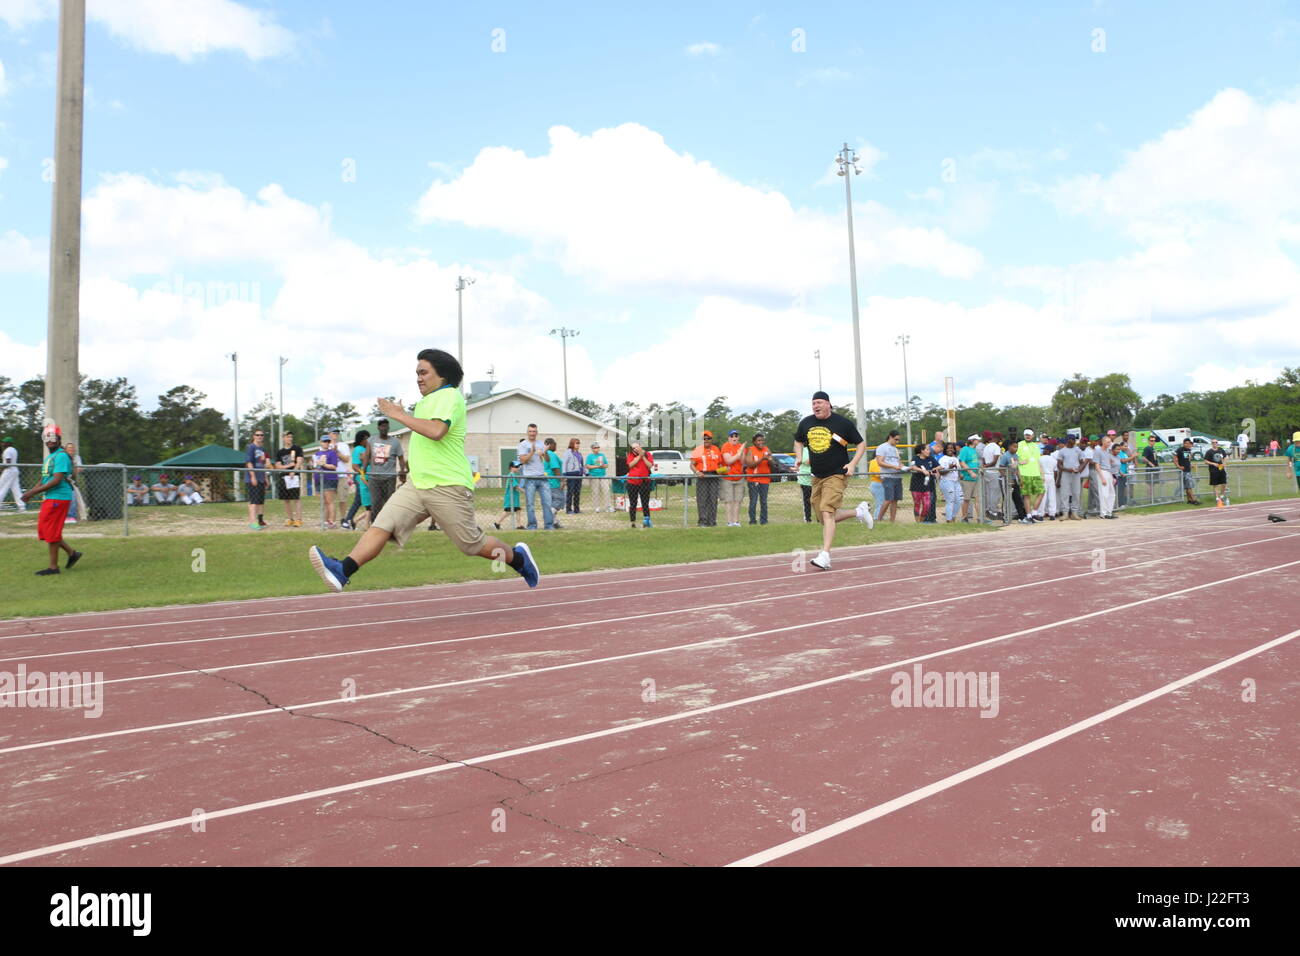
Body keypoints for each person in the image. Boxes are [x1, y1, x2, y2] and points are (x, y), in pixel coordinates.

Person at [309, 348, 540, 592]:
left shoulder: (450, 396)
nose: (418, 377)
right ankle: (342, 570)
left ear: (442, 376)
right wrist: (405, 416)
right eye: (416, 373)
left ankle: (519, 558)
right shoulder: (424, 402)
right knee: (381, 525)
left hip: (447, 485)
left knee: (471, 545)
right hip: (417, 484)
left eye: (423, 372)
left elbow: (436, 431)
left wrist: (399, 415)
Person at [792, 390, 873, 571]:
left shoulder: (842, 423)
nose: (816, 406)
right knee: (823, 517)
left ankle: (825, 555)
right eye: (813, 403)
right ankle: (858, 512)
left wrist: (852, 464)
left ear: (828, 404)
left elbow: (861, 444)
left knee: (827, 512)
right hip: (817, 476)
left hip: (836, 474)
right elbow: (798, 441)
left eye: (819, 402)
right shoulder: (806, 423)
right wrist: (798, 457)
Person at [19, 424, 82, 575]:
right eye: (47, 438)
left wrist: (33, 493)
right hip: (51, 497)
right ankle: (72, 553)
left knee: (51, 532)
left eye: (53, 437)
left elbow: (56, 480)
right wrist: (31, 492)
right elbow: (45, 478)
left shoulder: (61, 456)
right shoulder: (50, 457)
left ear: (59, 439)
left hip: (58, 497)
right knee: (46, 530)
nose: (50, 441)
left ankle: (53, 567)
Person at [516, 424, 555, 531]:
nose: (532, 433)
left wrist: (545, 453)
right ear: (527, 432)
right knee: (530, 504)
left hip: (542, 477)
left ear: (536, 432)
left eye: (534, 431)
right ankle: (532, 526)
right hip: (530, 478)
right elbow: (523, 461)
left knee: (547, 503)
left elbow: (547, 460)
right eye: (530, 431)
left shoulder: (540, 443)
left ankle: (549, 525)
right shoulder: (523, 445)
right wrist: (532, 452)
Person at [366, 418, 405, 522]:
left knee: (389, 503)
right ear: (378, 428)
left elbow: (401, 458)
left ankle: (389, 524)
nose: (384, 428)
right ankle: (374, 524)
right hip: (374, 478)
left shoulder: (395, 442)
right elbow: (367, 455)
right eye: (382, 426)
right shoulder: (371, 440)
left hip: (389, 477)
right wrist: (363, 469)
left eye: (386, 426)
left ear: (388, 428)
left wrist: (402, 471)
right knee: (375, 503)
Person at [688, 430, 723, 527]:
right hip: (702, 476)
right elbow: (692, 465)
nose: (706, 440)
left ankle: (712, 521)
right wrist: (697, 472)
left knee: (713, 499)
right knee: (702, 500)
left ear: (711, 439)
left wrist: (722, 470)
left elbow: (719, 463)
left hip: (714, 476)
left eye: (708, 438)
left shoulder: (716, 449)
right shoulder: (697, 450)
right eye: (704, 438)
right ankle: (702, 521)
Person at [273, 430, 305, 527]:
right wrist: (287, 467)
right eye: (287, 437)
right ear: (283, 438)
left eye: (290, 437)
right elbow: (277, 465)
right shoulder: (280, 452)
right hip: (283, 477)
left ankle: (298, 519)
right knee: (286, 499)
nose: (289, 439)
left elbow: (299, 461)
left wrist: (294, 471)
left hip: (294, 477)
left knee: (296, 499)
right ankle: (290, 518)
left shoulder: (297, 448)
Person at [342, 430, 372, 530]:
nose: (368, 440)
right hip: (362, 479)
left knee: (363, 502)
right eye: (366, 438)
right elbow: (355, 466)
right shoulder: (358, 449)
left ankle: (352, 521)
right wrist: (363, 475)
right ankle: (348, 521)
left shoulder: (366, 448)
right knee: (360, 502)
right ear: (361, 440)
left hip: (367, 478)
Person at [875, 429, 905, 523]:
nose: (897, 442)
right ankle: (878, 520)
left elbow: (898, 462)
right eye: (896, 439)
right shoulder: (882, 447)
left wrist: (902, 467)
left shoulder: (895, 449)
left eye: (898, 440)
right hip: (888, 477)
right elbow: (879, 462)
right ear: (890, 437)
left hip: (897, 477)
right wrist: (893, 466)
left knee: (895, 500)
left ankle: (892, 521)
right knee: (888, 499)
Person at [744, 432, 775, 525]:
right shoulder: (750, 450)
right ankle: (752, 521)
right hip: (754, 479)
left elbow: (772, 466)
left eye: (762, 440)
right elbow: (749, 464)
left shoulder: (767, 449)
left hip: (765, 479)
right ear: (754, 442)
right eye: (758, 440)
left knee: (764, 501)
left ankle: (764, 521)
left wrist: (770, 460)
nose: (761, 442)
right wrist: (762, 459)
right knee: (753, 501)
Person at [719, 429, 748, 527]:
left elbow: (743, 462)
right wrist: (739, 453)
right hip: (728, 478)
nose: (734, 438)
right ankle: (729, 522)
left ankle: (736, 521)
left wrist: (742, 451)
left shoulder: (741, 447)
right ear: (729, 438)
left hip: (739, 477)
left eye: (736, 436)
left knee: (738, 500)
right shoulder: (725, 446)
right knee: (729, 500)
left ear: (738, 437)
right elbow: (728, 461)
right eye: (732, 436)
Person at [314, 435, 342, 528]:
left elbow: (334, 466)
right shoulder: (317, 453)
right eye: (324, 441)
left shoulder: (332, 453)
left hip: (329, 478)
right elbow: (315, 466)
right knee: (324, 502)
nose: (326, 443)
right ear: (320, 442)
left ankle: (332, 521)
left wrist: (324, 464)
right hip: (319, 478)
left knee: (330, 501)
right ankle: (325, 521)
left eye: (327, 441)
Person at [245, 428, 270, 530]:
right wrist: (252, 476)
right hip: (253, 478)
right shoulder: (251, 447)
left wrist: (265, 478)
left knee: (260, 501)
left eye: (261, 435)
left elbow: (263, 465)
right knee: (253, 501)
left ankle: (260, 520)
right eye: (257, 435)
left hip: (261, 478)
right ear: (254, 436)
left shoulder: (262, 449)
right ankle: (252, 522)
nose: (260, 437)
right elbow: (249, 462)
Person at [626, 441, 655, 527]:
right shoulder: (630, 455)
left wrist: (643, 457)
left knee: (645, 503)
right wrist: (639, 456)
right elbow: (630, 465)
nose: (635, 449)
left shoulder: (648, 454)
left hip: (644, 482)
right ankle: (633, 522)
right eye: (633, 448)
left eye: (637, 447)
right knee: (633, 503)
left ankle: (646, 521)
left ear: (640, 446)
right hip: (632, 482)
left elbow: (649, 465)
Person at [1056, 434, 1085, 519]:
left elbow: (1082, 462)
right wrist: (1067, 469)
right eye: (1071, 439)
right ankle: (1065, 513)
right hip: (1066, 474)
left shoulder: (1078, 450)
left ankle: (1074, 513)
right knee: (1065, 493)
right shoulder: (1062, 451)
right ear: (1067, 440)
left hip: (1076, 474)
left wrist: (1079, 469)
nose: (1073, 441)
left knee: (1076, 493)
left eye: (1074, 439)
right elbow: (1059, 465)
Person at [909, 441, 939, 523]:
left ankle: (921, 521)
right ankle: (917, 522)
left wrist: (936, 469)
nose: (929, 451)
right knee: (917, 503)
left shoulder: (931, 458)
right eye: (927, 449)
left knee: (927, 505)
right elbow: (913, 467)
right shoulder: (915, 458)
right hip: (916, 485)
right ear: (922, 451)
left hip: (927, 485)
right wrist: (922, 470)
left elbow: (938, 466)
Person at [1018, 429, 1043, 518]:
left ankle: (1034, 511)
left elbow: (1038, 460)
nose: (1027, 436)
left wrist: (1041, 473)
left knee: (1042, 492)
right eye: (1026, 435)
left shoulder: (1036, 446)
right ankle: (1029, 515)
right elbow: (1013, 457)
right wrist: (1019, 462)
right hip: (1024, 473)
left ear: (1033, 436)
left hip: (1036, 473)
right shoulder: (1019, 444)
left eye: (1029, 435)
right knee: (1026, 495)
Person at [936, 441, 963, 523]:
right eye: (948, 448)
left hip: (956, 482)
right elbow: (941, 473)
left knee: (959, 500)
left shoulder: (956, 459)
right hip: (946, 481)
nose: (950, 450)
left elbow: (957, 470)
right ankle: (949, 519)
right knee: (950, 501)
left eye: (951, 448)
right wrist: (949, 467)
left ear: (954, 449)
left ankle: (953, 516)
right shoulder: (943, 459)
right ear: (945, 449)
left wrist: (960, 474)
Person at [1033, 440, 1059, 520]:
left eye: (1044, 449)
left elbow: (1037, 469)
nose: (1043, 450)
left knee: (1042, 496)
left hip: (1042, 476)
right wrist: (1054, 480)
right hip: (1051, 476)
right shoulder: (1054, 460)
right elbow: (1055, 472)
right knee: (1052, 495)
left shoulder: (1040, 459)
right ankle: (1052, 514)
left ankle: (1041, 514)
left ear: (1048, 450)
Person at [494, 460, 524, 530]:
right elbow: (515, 485)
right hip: (510, 497)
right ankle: (497, 523)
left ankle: (519, 525)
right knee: (508, 511)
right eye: (516, 467)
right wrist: (522, 490)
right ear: (511, 468)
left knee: (518, 510)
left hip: (514, 497)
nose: (518, 468)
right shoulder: (511, 475)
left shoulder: (514, 475)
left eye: (518, 467)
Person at [981, 432, 1004, 521]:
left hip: (987, 472)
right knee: (995, 493)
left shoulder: (986, 446)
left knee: (988, 492)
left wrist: (985, 466)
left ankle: (988, 510)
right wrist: (987, 466)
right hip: (994, 472)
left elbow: (983, 459)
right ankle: (993, 511)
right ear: (997, 438)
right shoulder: (996, 447)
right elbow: (995, 461)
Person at [959, 435, 981, 522]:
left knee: (978, 498)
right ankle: (964, 517)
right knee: (966, 499)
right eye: (977, 440)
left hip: (975, 478)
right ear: (972, 440)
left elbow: (975, 463)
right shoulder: (965, 449)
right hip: (967, 478)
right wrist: (970, 472)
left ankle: (980, 517)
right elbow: (962, 462)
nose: (978, 441)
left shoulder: (974, 450)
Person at [543, 438, 565, 527]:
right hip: (554, 482)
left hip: (548, 482)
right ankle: (548, 516)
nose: (556, 446)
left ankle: (554, 522)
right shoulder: (551, 454)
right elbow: (555, 468)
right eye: (555, 444)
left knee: (552, 502)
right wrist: (561, 481)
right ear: (550, 444)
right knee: (559, 500)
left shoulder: (546, 454)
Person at [0, 436, 25, 512]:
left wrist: (1, 468)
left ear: (9, 443)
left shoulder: (7, 450)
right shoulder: (14, 449)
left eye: (4, 442)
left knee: (2, 486)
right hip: (14, 470)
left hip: (9, 470)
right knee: (16, 489)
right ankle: (22, 506)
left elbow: (8, 462)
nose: (2, 443)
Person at [585, 442, 612, 512]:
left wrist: (603, 465)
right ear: (592, 449)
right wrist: (597, 466)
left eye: (598, 447)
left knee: (606, 490)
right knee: (595, 491)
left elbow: (607, 465)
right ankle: (596, 507)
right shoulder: (589, 456)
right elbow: (587, 466)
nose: (597, 449)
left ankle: (608, 507)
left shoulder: (602, 455)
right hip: (594, 476)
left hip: (603, 475)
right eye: (595, 448)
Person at [63, 441, 85, 522]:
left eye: (72, 448)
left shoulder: (76, 457)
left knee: (74, 498)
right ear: (65, 450)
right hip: (62, 481)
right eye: (69, 448)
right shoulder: (63, 457)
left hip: (71, 482)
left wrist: (75, 469)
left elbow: (79, 468)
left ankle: (72, 516)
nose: (71, 450)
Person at [562, 437, 586, 514]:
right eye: (576, 443)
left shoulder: (579, 454)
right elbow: (564, 463)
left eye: (579, 443)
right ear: (572, 444)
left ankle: (577, 509)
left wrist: (585, 472)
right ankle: (568, 509)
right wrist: (564, 474)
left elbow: (581, 465)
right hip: (570, 474)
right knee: (570, 492)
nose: (578, 445)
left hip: (579, 475)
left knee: (577, 492)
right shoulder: (567, 452)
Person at [1175, 437, 1200, 505]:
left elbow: (1187, 460)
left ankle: (1189, 500)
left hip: (1188, 470)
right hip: (1183, 471)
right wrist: (1178, 466)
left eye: (1188, 443)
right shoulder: (1180, 450)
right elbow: (1174, 458)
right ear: (1183, 443)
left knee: (1187, 486)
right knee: (1189, 486)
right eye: (1186, 443)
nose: (1187, 444)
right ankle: (1194, 500)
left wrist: (1191, 465)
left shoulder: (1188, 450)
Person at [1204, 438, 1229, 506]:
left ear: (1217, 443)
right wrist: (1213, 463)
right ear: (1211, 444)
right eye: (1213, 442)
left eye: (1216, 442)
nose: (1214, 443)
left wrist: (1224, 463)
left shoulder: (1221, 450)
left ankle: (1222, 496)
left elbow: (1225, 457)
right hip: (1213, 470)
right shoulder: (1209, 451)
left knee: (1224, 483)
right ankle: (1217, 498)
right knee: (1215, 484)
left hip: (1221, 468)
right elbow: (1205, 461)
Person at [797, 451, 814, 522]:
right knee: (807, 501)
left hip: (816, 479)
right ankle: (807, 519)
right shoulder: (802, 450)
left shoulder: (816, 448)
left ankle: (820, 518)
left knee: (817, 500)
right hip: (805, 480)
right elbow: (807, 462)